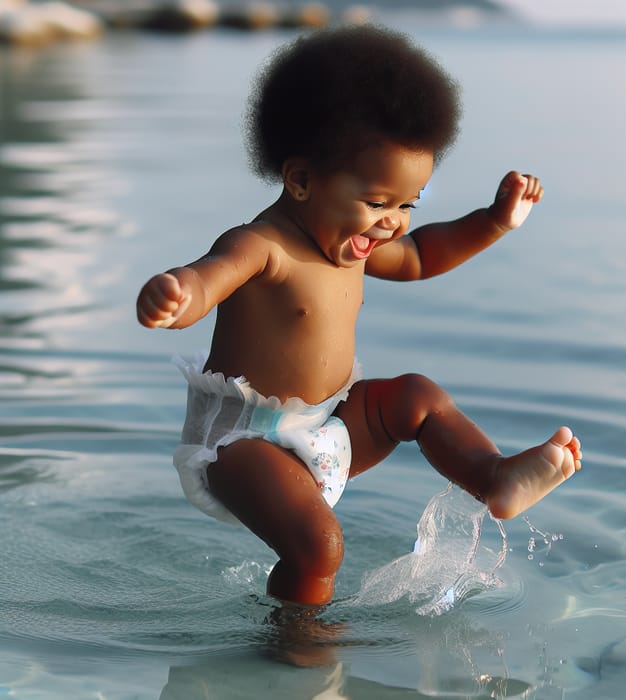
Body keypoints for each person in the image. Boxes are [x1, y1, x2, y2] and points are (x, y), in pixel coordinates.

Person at [136, 25, 582, 606]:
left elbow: (423, 254)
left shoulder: (353, 243)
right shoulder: (263, 244)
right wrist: (176, 296)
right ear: (301, 181)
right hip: (241, 443)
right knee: (318, 548)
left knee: (415, 396)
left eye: (407, 204)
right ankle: (299, 649)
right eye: (376, 202)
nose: (392, 223)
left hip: (326, 426)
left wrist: (493, 221)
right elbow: (208, 276)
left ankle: (492, 476)